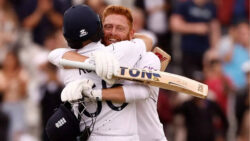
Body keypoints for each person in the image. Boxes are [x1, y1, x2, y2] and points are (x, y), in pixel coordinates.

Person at [50, 5, 167, 141]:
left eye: (120, 28)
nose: (113, 33)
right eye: (108, 27)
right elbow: (55, 55)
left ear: (132, 34)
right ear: (99, 29)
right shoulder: (72, 61)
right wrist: (90, 62)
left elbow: (142, 91)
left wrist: (92, 94)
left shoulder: (147, 57)